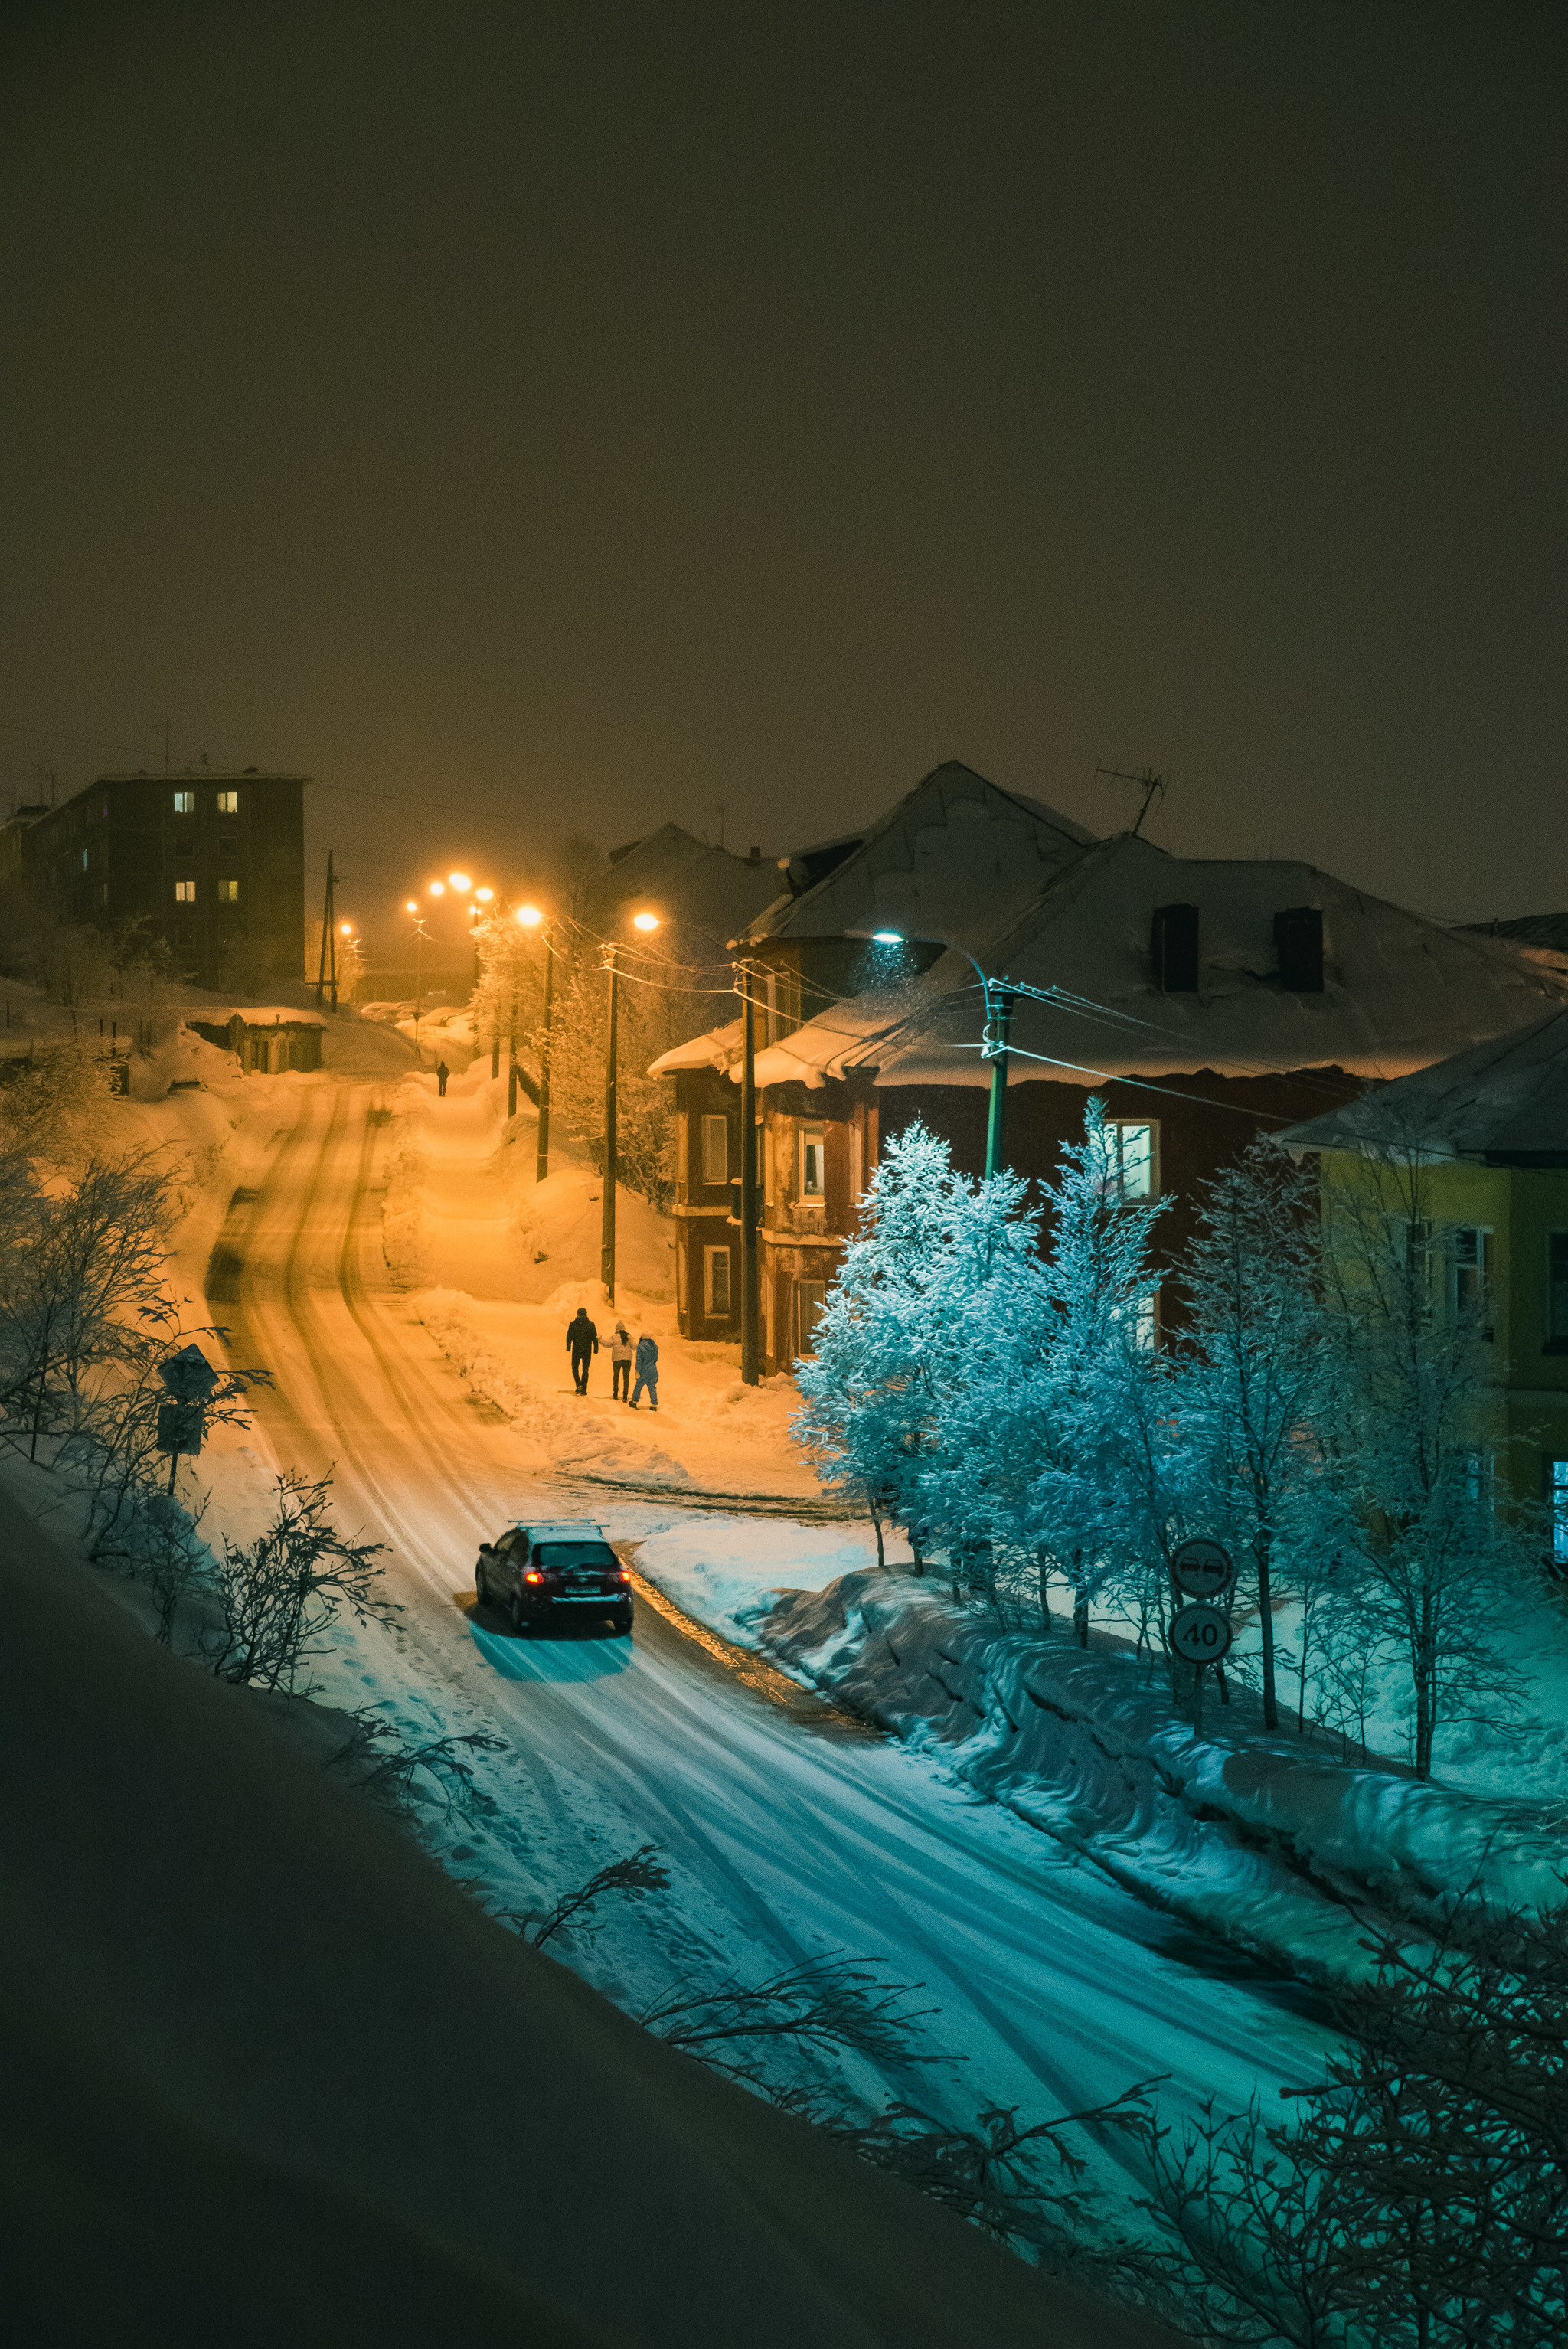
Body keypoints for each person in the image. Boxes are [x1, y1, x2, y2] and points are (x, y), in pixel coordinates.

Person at [566, 1306, 599, 1394]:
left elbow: (569, 1336)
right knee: (585, 1369)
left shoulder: (573, 1324)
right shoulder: (591, 1324)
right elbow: (594, 1337)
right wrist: (596, 1348)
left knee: (575, 1367)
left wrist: (568, 1347)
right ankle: (583, 1388)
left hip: (576, 1350)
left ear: (577, 1314)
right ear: (586, 1314)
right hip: (587, 1350)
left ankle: (578, 1384)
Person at [629, 1331, 658, 1411]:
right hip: (653, 1369)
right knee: (652, 1387)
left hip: (643, 1370)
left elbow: (639, 1360)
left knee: (638, 1386)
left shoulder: (640, 1346)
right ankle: (654, 1404)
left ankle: (634, 1401)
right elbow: (656, 1358)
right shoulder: (655, 1346)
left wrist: (637, 1370)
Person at [609, 1321, 633, 1402]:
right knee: (626, 1378)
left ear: (617, 1329)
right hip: (627, 1360)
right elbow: (634, 1347)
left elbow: (607, 1344)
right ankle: (625, 1396)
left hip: (617, 1360)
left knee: (616, 1376)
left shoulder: (614, 1337)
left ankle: (615, 1394)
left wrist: (599, 1339)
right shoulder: (629, 1336)